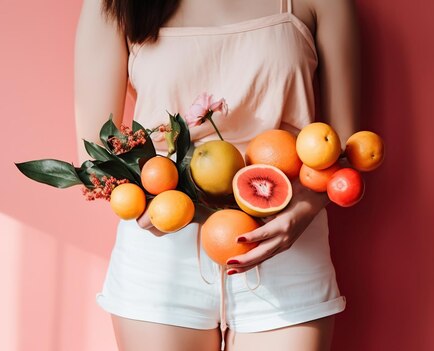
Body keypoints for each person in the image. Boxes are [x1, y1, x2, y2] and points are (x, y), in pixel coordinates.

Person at [74, 0, 360, 350]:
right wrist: (144, 202)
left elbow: (346, 147)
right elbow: (95, 153)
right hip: (162, 252)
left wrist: (304, 208)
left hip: (289, 243)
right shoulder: (111, 4)